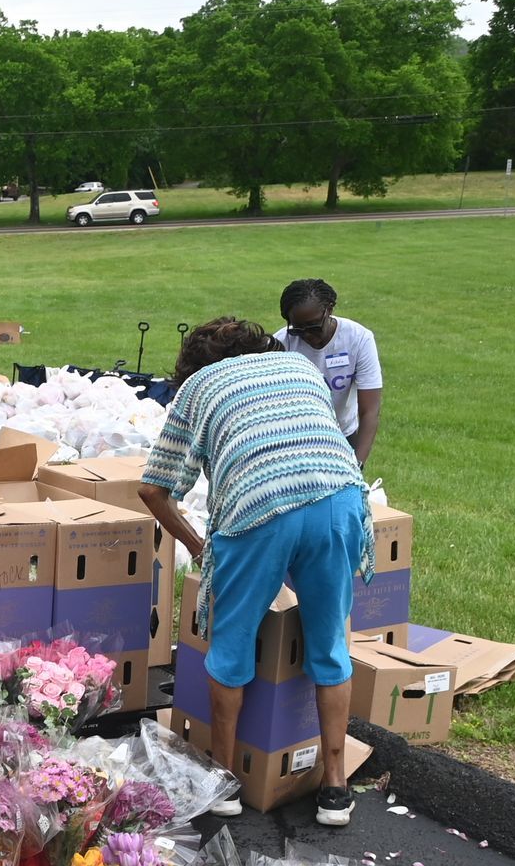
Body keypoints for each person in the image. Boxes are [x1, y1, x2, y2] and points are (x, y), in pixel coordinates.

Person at [136, 317, 374, 829]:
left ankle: (224, 781)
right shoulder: (300, 367)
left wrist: (199, 547)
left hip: (256, 510)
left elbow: (153, 489)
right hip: (339, 498)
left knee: (231, 647)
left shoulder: (200, 387)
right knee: (330, 646)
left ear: (193, 364)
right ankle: (334, 788)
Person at [275, 278, 382, 467]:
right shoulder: (280, 344)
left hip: (342, 435)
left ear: (329, 309)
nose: (307, 335)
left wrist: (357, 464)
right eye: (298, 330)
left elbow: (369, 410)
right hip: (295, 440)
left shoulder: (358, 339)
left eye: (314, 326)